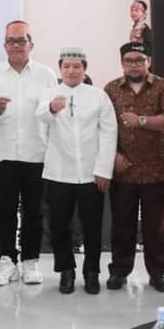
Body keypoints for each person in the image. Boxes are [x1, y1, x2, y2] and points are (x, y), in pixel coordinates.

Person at [37, 48, 117, 295]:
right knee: (60, 224)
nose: (71, 71)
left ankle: (92, 271)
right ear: (60, 69)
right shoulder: (49, 94)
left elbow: (109, 133)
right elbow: (39, 119)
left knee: (92, 225)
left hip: (91, 173)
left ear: (84, 69)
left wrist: (103, 169)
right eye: (66, 66)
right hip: (59, 172)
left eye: (76, 66)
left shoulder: (98, 96)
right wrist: (51, 108)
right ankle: (66, 270)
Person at [0, 20, 57, 286]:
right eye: (11, 41)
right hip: (4, 154)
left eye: (21, 40)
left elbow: (52, 116)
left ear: (31, 43)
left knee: (33, 211)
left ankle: (30, 261)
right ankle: (7, 262)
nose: (16, 45)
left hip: (36, 153)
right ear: (4, 45)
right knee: (5, 210)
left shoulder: (46, 75)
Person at [103, 42, 164, 293]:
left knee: (156, 227)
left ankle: (158, 273)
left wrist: (141, 120)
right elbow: (103, 126)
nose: (134, 65)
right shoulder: (111, 89)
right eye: (129, 60)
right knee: (122, 225)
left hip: (156, 169)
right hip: (123, 170)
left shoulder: (163, 86)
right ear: (122, 63)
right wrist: (113, 156)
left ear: (149, 61)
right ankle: (119, 271)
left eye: (139, 60)